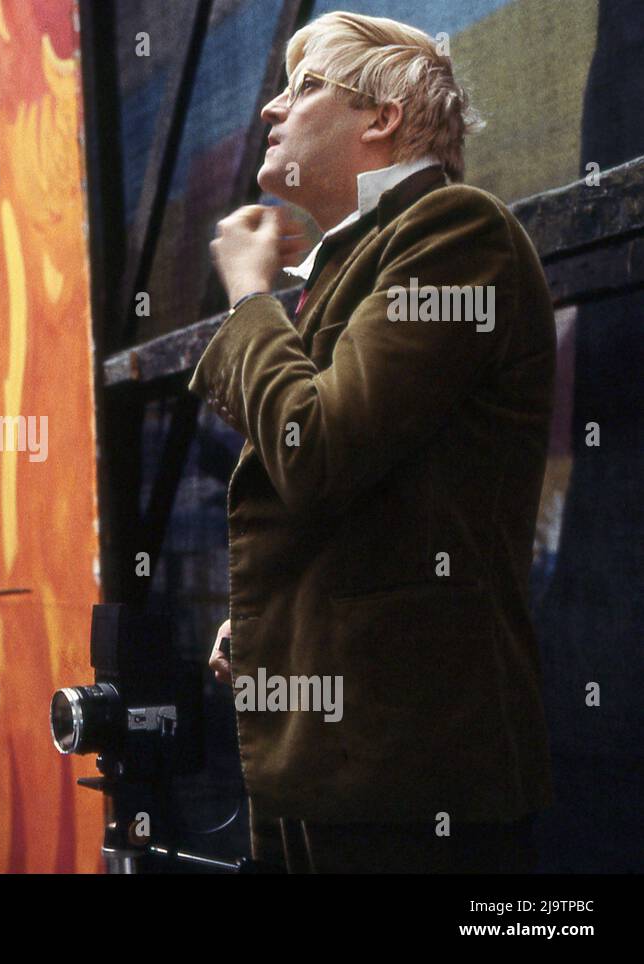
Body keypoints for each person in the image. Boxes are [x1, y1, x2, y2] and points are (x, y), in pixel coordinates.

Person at [192, 11, 554, 872]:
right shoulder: (361, 255)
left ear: (383, 117)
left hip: (408, 771)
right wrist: (272, 624)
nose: (275, 111)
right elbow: (362, 497)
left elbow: (315, 447)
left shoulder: (455, 229)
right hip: (348, 760)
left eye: (305, 86)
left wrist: (249, 298)